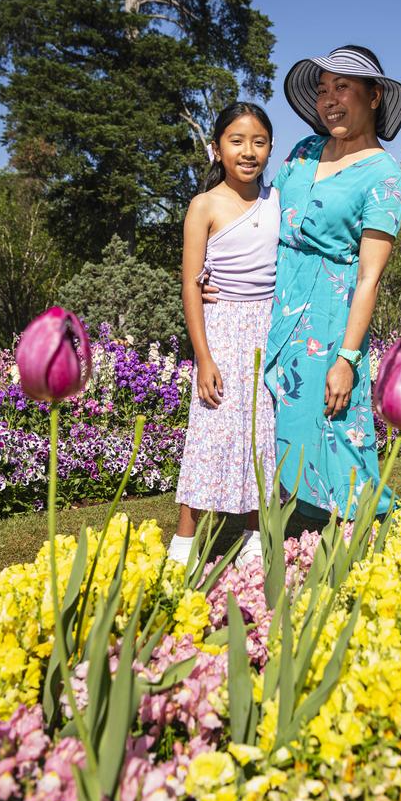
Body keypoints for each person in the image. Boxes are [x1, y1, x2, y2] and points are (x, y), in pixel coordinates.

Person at [266, 45, 401, 518]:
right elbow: (266, 220)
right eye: (323, 89)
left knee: (332, 433)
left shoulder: (383, 175)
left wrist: (347, 358)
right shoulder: (304, 152)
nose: (329, 99)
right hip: (273, 304)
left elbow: (369, 276)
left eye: (342, 87)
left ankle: (359, 544)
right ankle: (283, 538)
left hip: (329, 322)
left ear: (374, 96)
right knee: (275, 426)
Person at [168, 102, 280, 566]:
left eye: (258, 141)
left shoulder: (278, 201)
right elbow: (191, 287)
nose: (248, 151)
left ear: (270, 148)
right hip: (221, 330)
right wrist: (203, 357)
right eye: (236, 141)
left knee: (262, 433)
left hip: (269, 329)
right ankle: (184, 544)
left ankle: (256, 538)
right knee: (211, 430)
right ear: (216, 149)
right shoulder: (204, 205)